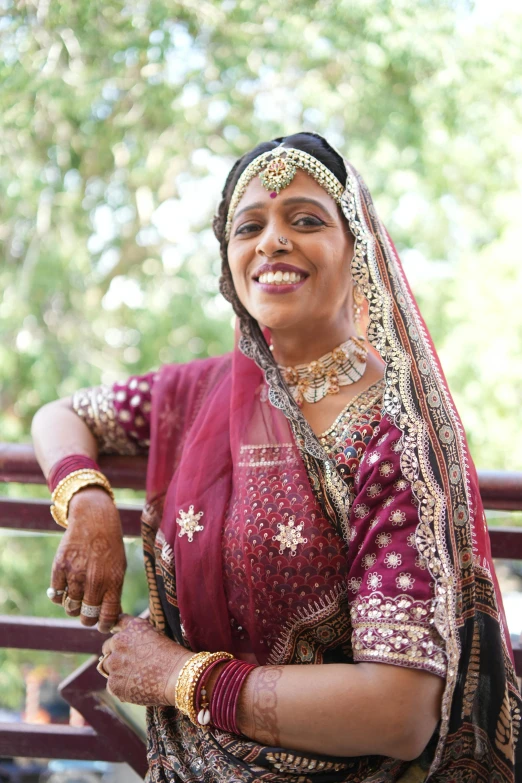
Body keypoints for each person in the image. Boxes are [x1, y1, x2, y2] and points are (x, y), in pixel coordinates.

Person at [32, 132, 522, 782]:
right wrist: (87, 499)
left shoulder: (394, 427)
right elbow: (61, 415)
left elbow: (399, 711)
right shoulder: (202, 393)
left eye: (307, 220)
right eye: (249, 226)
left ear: (358, 249)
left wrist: (180, 676)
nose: (271, 241)